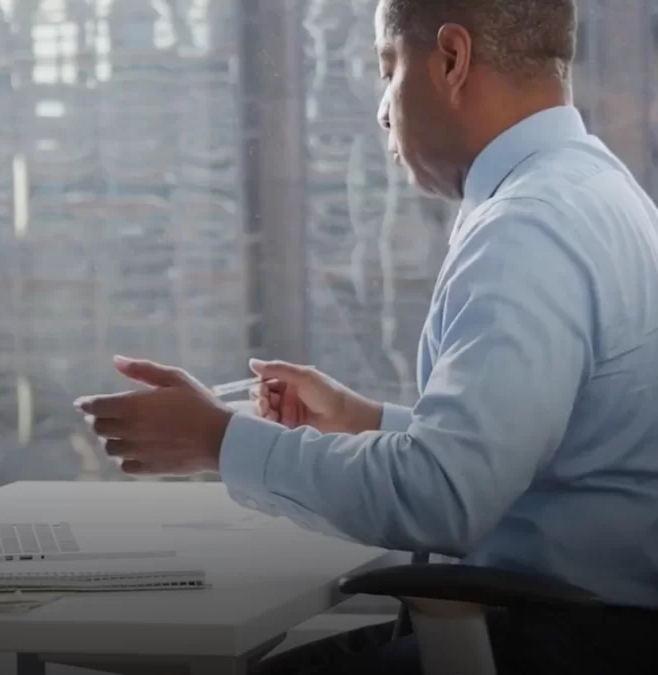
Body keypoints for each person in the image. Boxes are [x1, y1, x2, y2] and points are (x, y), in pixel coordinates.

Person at [76, 0, 658, 672]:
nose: (383, 109)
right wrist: (362, 420)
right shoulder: (601, 189)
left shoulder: (526, 229)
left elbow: (444, 498)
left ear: (451, 60)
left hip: (561, 642)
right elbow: (541, 444)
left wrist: (216, 438)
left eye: (389, 69)